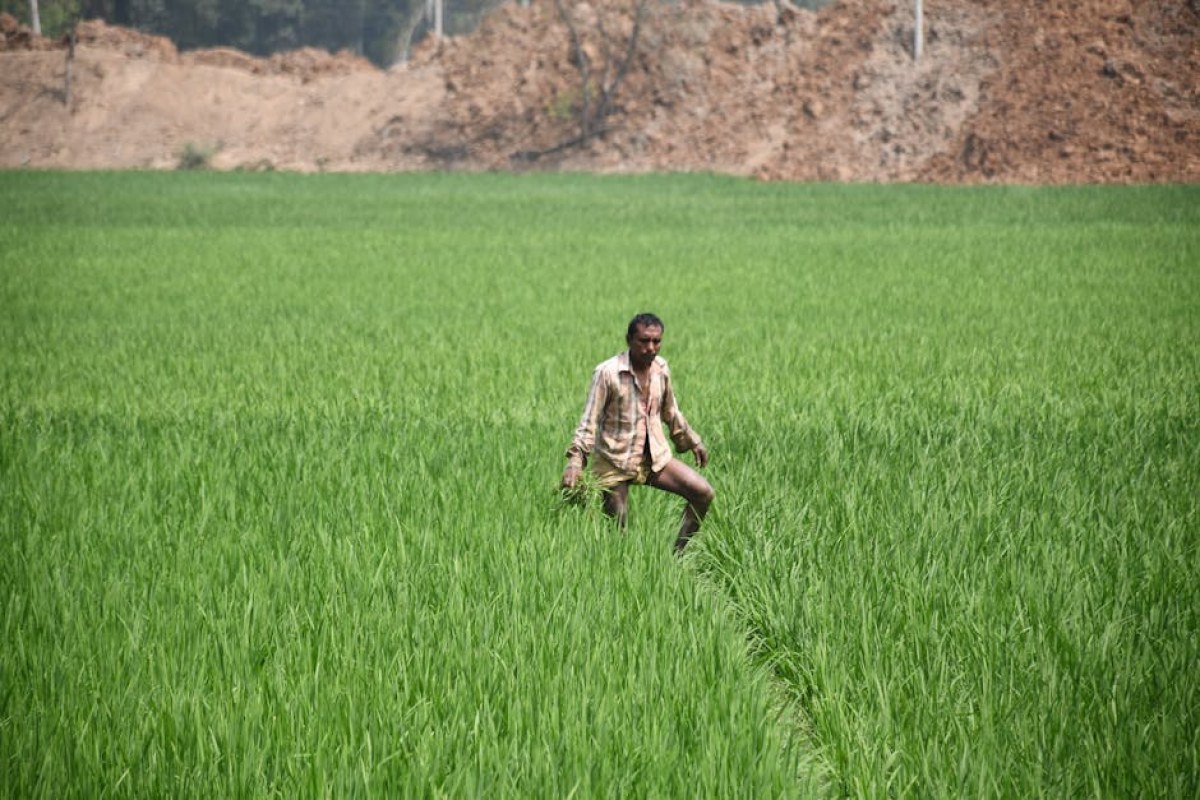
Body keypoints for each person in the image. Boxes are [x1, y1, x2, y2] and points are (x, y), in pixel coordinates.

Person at [562, 313, 714, 552]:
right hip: (615, 461)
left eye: (656, 341)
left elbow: (670, 411)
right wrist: (575, 461)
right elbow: (588, 420)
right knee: (618, 528)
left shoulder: (661, 369)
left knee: (703, 493)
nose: (650, 348)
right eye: (644, 341)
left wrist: (693, 441)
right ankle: (621, 569)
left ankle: (678, 555)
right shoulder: (607, 373)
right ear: (629, 340)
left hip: (654, 457)